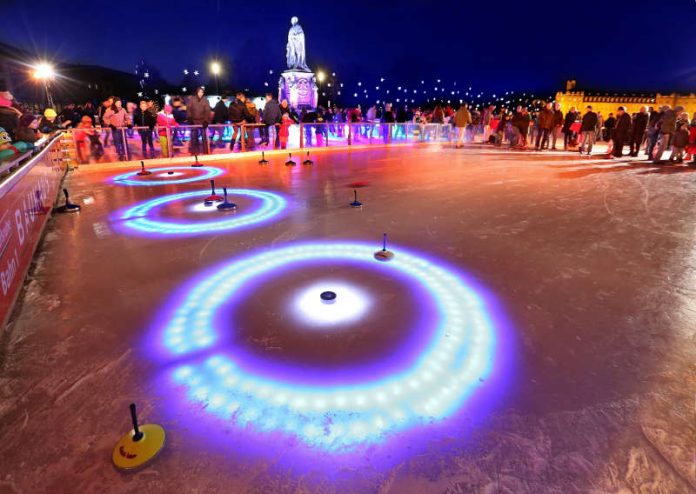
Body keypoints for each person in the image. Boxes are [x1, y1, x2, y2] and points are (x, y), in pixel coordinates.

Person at [187, 86, 212, 155]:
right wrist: (190, 118)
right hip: (194, 121)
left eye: (202, 92)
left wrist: (206, 121)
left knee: (204, 137)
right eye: (200, 92)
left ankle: (205, 152)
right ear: (197, 92)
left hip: (202, 121)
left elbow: (207, 111)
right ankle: (194, 152)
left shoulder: (205, 100)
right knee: (194, 137)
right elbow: (189, 109)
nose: (201, 93)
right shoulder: (192, 100)